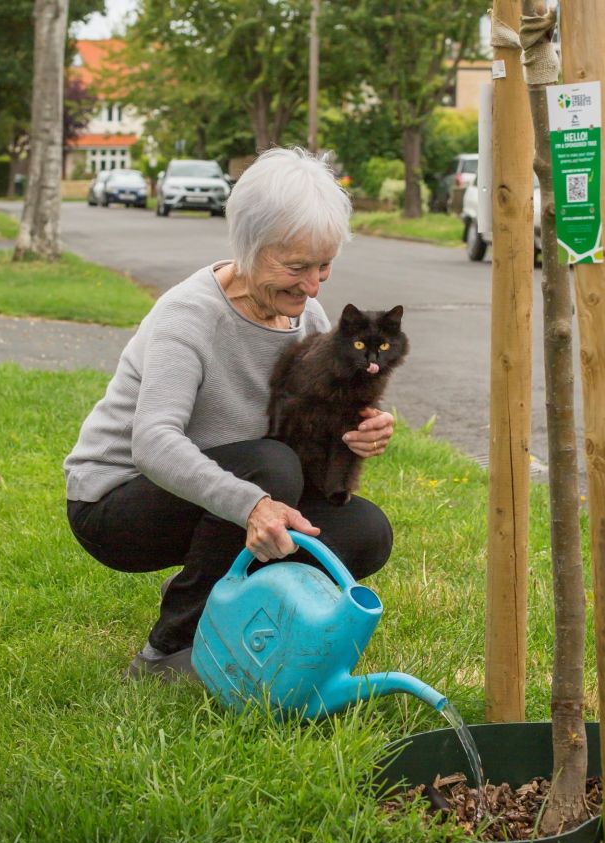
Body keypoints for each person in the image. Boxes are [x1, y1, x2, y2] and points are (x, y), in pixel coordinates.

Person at [64, 147, 396, 680]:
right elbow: (152, 442)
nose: (313, 286)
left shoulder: (308, 315)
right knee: (271, 468)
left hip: (227, 490)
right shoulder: (189, 315)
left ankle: (211, 580)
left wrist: (357, 432)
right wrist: (252, 505)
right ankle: (168, 651)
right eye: (296, 267)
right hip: (117, 503)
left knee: (364, 530)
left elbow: (316, 417)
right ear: (249, 246)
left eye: (324, 266)